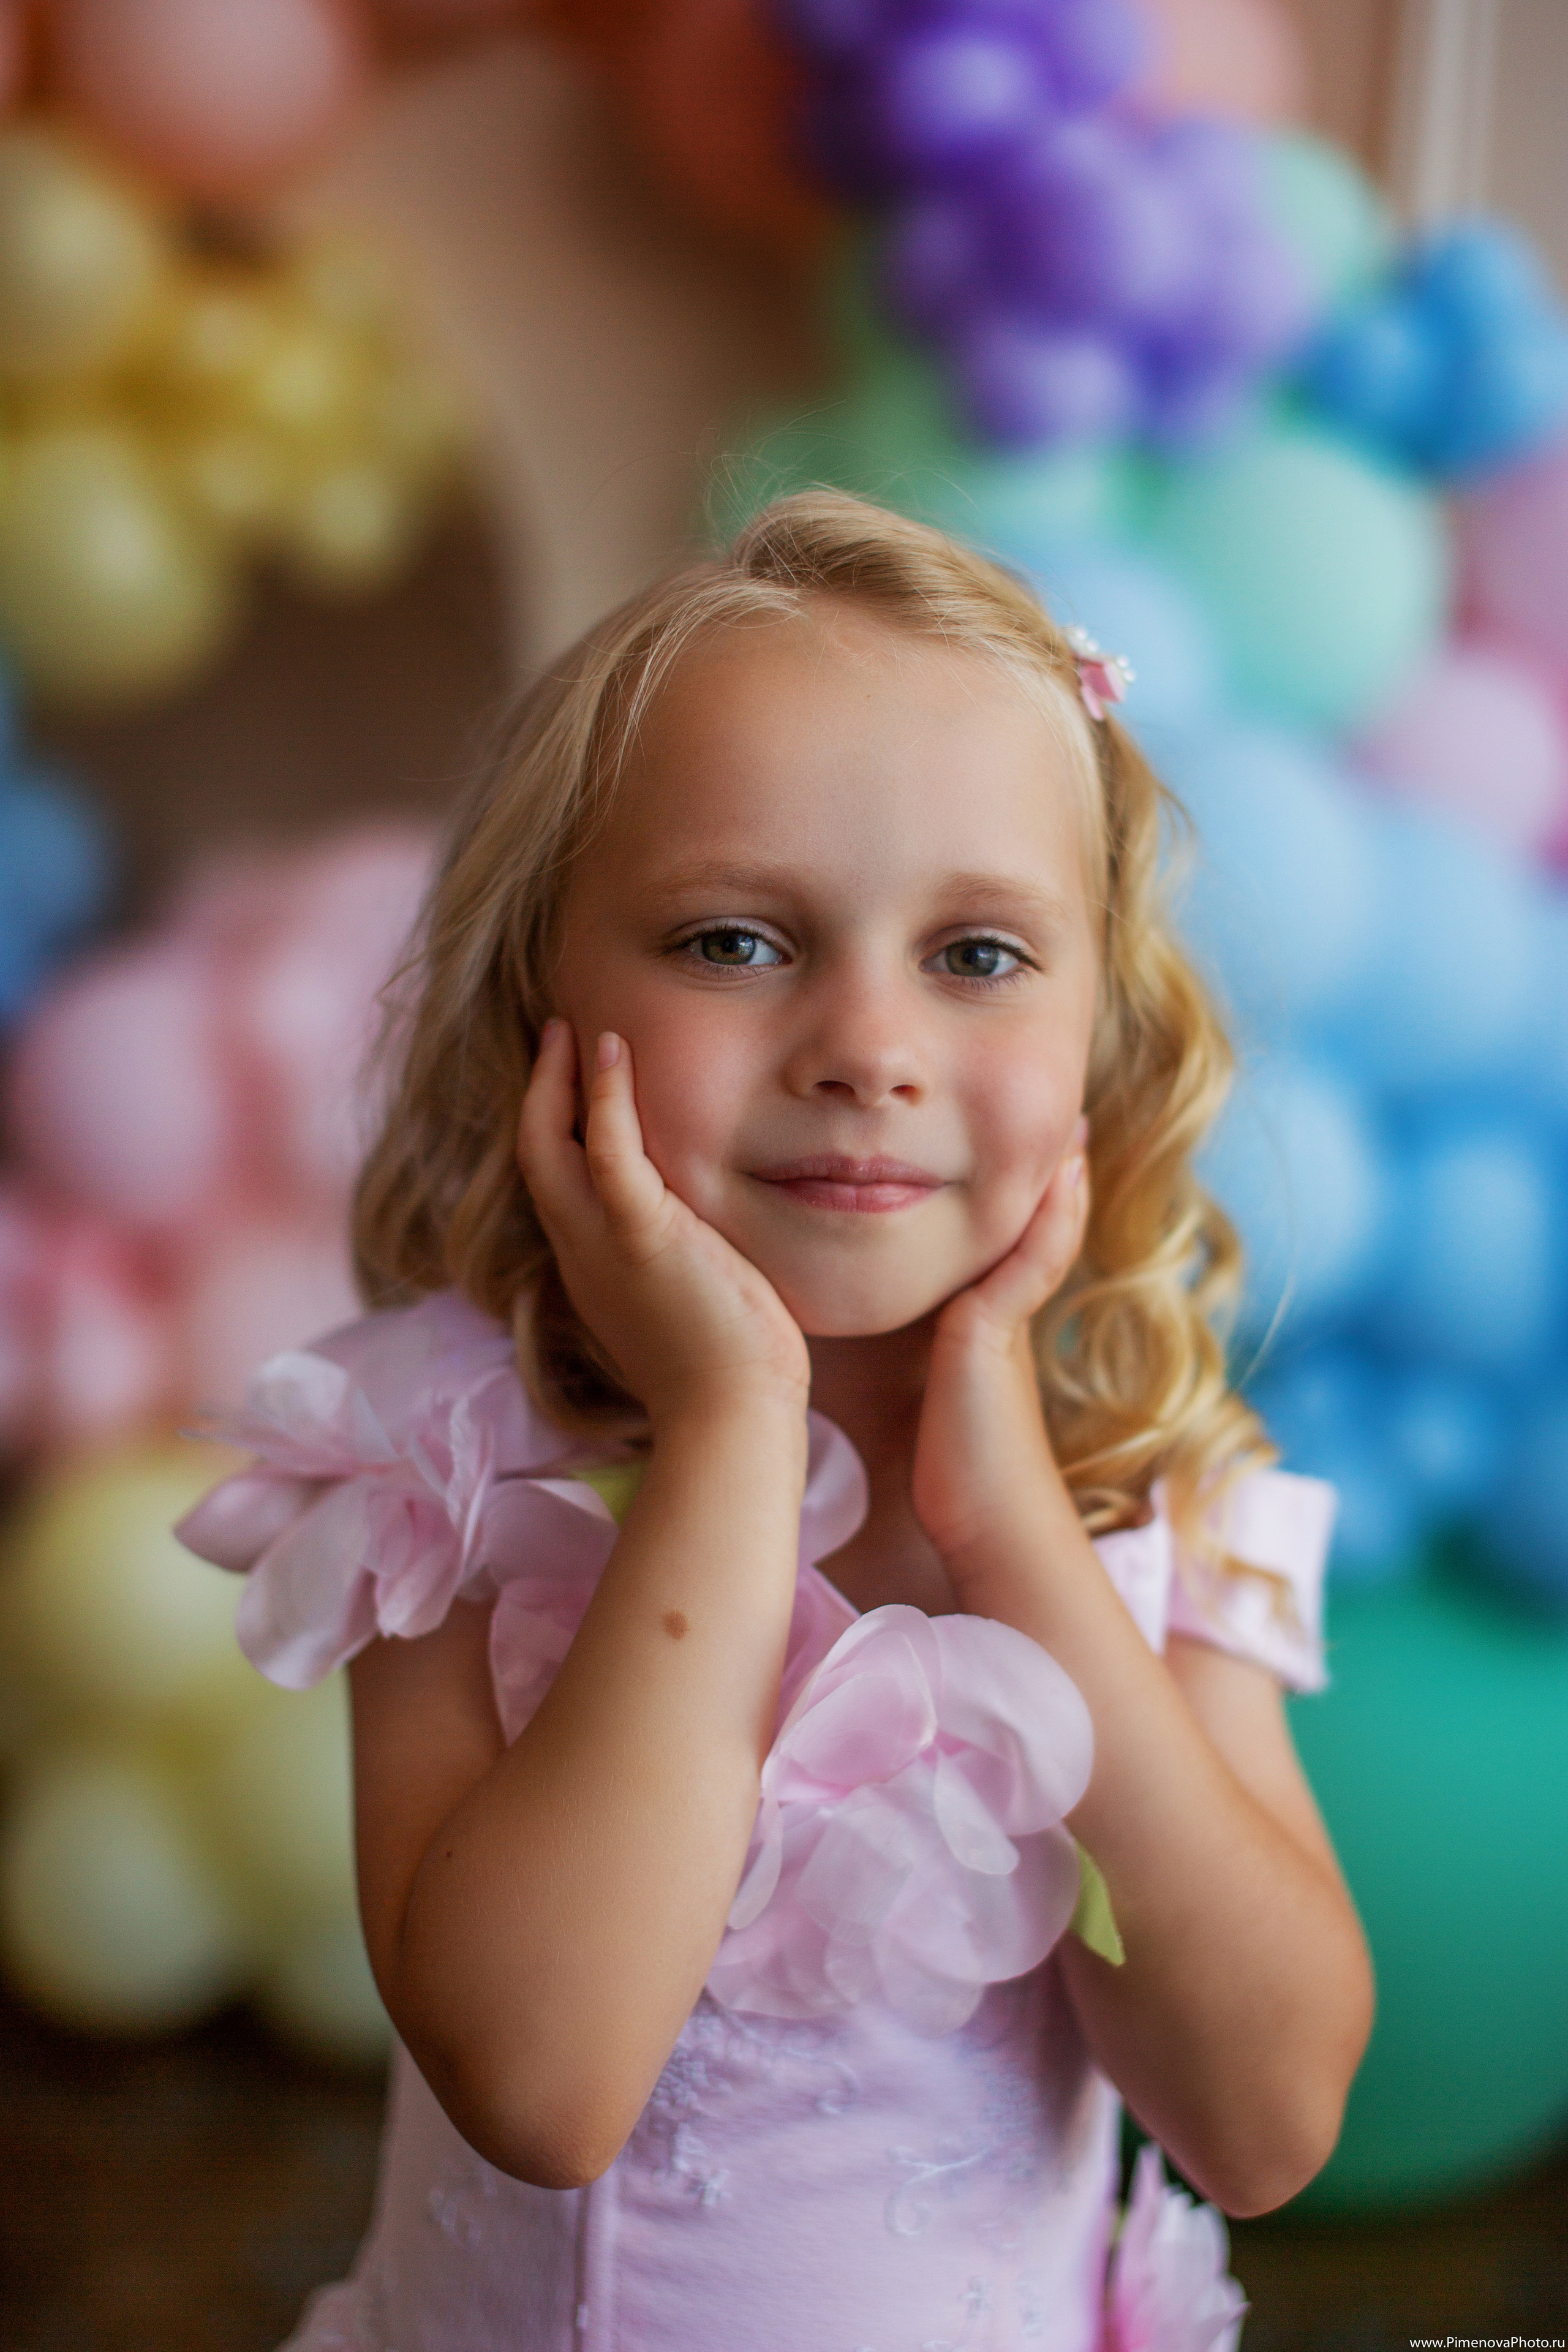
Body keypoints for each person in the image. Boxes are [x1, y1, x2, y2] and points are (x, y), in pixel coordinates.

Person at [178, 490, 1373, 2352]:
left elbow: (1267, 2122)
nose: (866, 1046)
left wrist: (1017, 1536)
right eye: (737, 941)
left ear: (1102, 1038)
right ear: (541, 994)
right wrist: (733, 1435)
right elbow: (544, 2081)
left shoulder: (1165, 1505)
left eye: (977, 955)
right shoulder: (446, 1477)